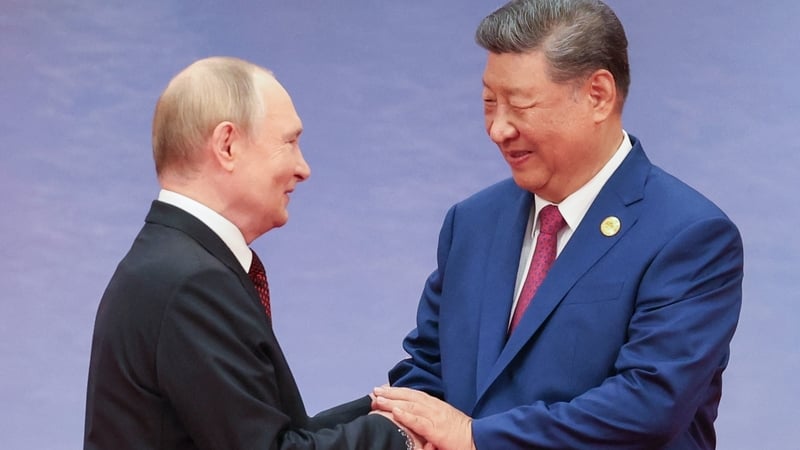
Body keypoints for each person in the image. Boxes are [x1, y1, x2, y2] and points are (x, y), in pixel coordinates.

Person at [372, 1, 744, 449]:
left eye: (520, 105)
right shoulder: (471, 223)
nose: (498, 129)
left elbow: (648, 404)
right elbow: (427, 366)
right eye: (490, 103)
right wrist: (414, 429)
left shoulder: (689, 235)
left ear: (598, 95)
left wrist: (475, 438)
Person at [84, 56, 419, 450]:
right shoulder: (193, 284)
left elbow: (263, 431)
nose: (303, 168)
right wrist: (399, 436)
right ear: (227, 145)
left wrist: (390, 411)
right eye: (290, 142)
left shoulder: (169, 264)